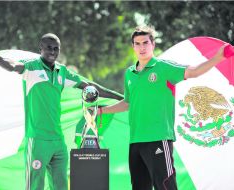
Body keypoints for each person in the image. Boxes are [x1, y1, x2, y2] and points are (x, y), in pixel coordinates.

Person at [97, 26, 228, 190]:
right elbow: (128, 103)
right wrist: (102, 110)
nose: (142, 47)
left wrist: (217, 58)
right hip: (136, 141)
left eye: (145, 42)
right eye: (137, 44)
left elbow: (193, 72)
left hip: (158, 138)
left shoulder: (163, 68)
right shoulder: (129, 73)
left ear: (153, 44)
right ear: (133, 47)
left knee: (165, 186)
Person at [0, 33, 122, 190]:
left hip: (58, 142)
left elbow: (91, 87)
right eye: (48, 48)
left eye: (56, 49)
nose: (52, 52)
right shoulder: (31, 67)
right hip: (38, 140)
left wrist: (123, 98)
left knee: (61, 186)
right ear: (41, 49)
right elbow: (13, 65)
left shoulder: (62, 72)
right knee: (34, 186)